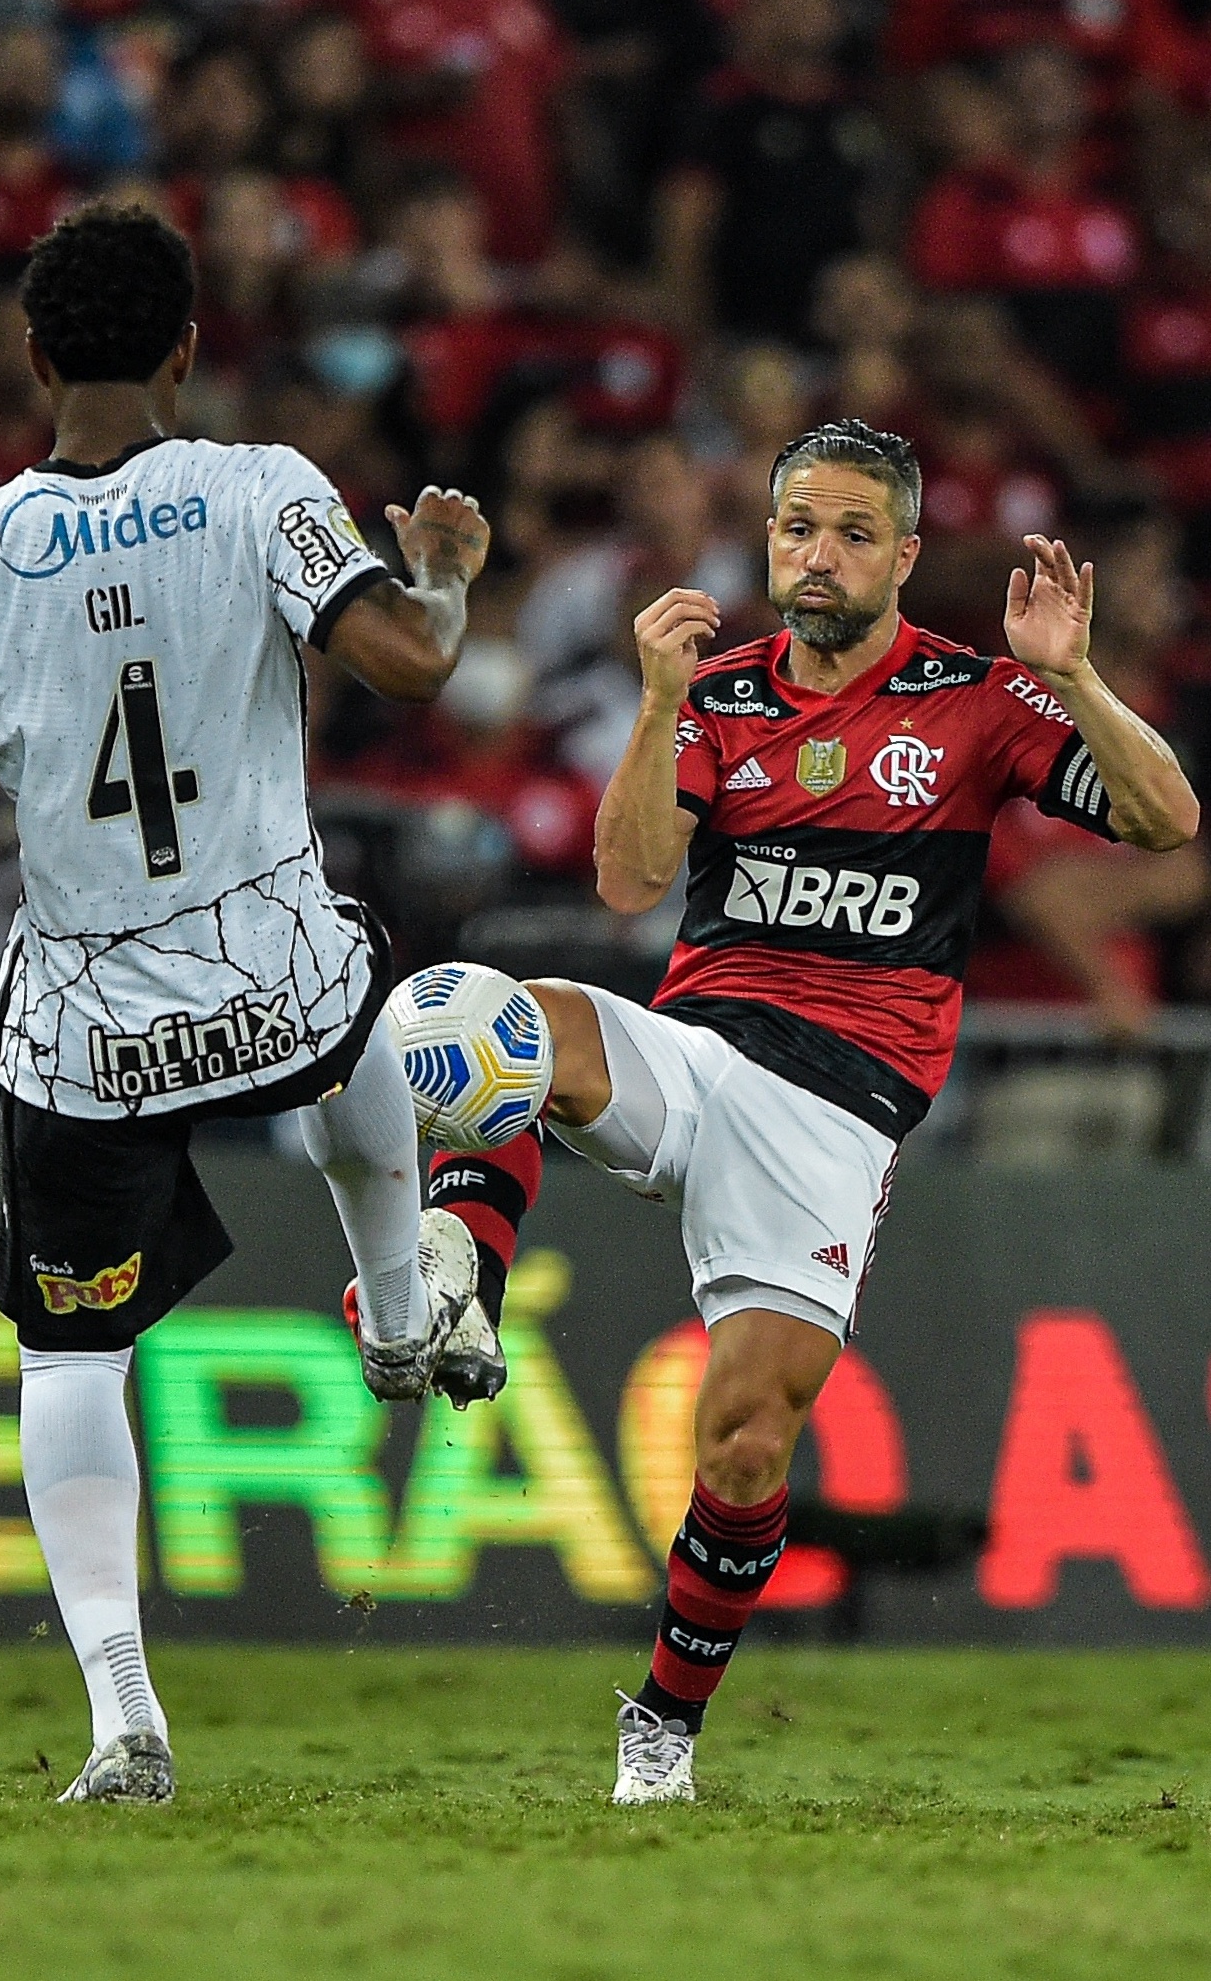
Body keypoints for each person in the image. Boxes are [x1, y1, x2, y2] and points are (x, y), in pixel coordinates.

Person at [0, 202, 492, 1806]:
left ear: (31, 359)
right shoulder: (259, 489)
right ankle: (392, 1299)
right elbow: (411, 663)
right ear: (186, 345)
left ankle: (123, 1719)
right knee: (352, 1005)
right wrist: (440, 573)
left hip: (91, 1019)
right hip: (264, 965)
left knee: (71, 1357)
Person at [413, 418, 1198, 1803]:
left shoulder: (978, 697)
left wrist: (1074, 676)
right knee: (494, 1015)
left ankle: (660, 1726)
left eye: (848, 532)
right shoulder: (717, 696)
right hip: (698, 1058)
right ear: (765, 538)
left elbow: (1165, 820)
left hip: (834, 1120)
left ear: (902, 552)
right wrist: (657, 703)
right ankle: (454, 1282)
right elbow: (625, 881)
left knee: (746, 1443)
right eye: (793, 528)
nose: (815, 555)